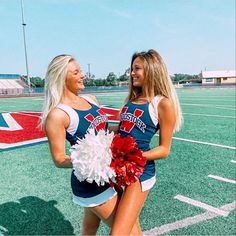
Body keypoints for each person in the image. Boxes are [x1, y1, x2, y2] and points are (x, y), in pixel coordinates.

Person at [41, 54, 120, 235]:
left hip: (111, 173)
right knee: (129, 230)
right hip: (90, 182)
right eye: (76, 72)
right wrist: (92, 160)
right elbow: (59, 159)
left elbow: (105, 131)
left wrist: (126, 127)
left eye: (80, 70)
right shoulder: (58, 115)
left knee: (90, 228)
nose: (82, 75)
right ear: (62, 78)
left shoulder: (91, 99)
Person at [111, 49, 183, 235]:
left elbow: (164, 149)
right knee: (132, 228)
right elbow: (123, 129)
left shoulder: (163, 104)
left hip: (139, 173)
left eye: (137, 68)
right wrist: (98, 128)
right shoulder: (132, 100)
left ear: (151, 70)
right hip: (120, 169)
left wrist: (133, 157)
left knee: (118, 232)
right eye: (132, 68)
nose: (132, 73)